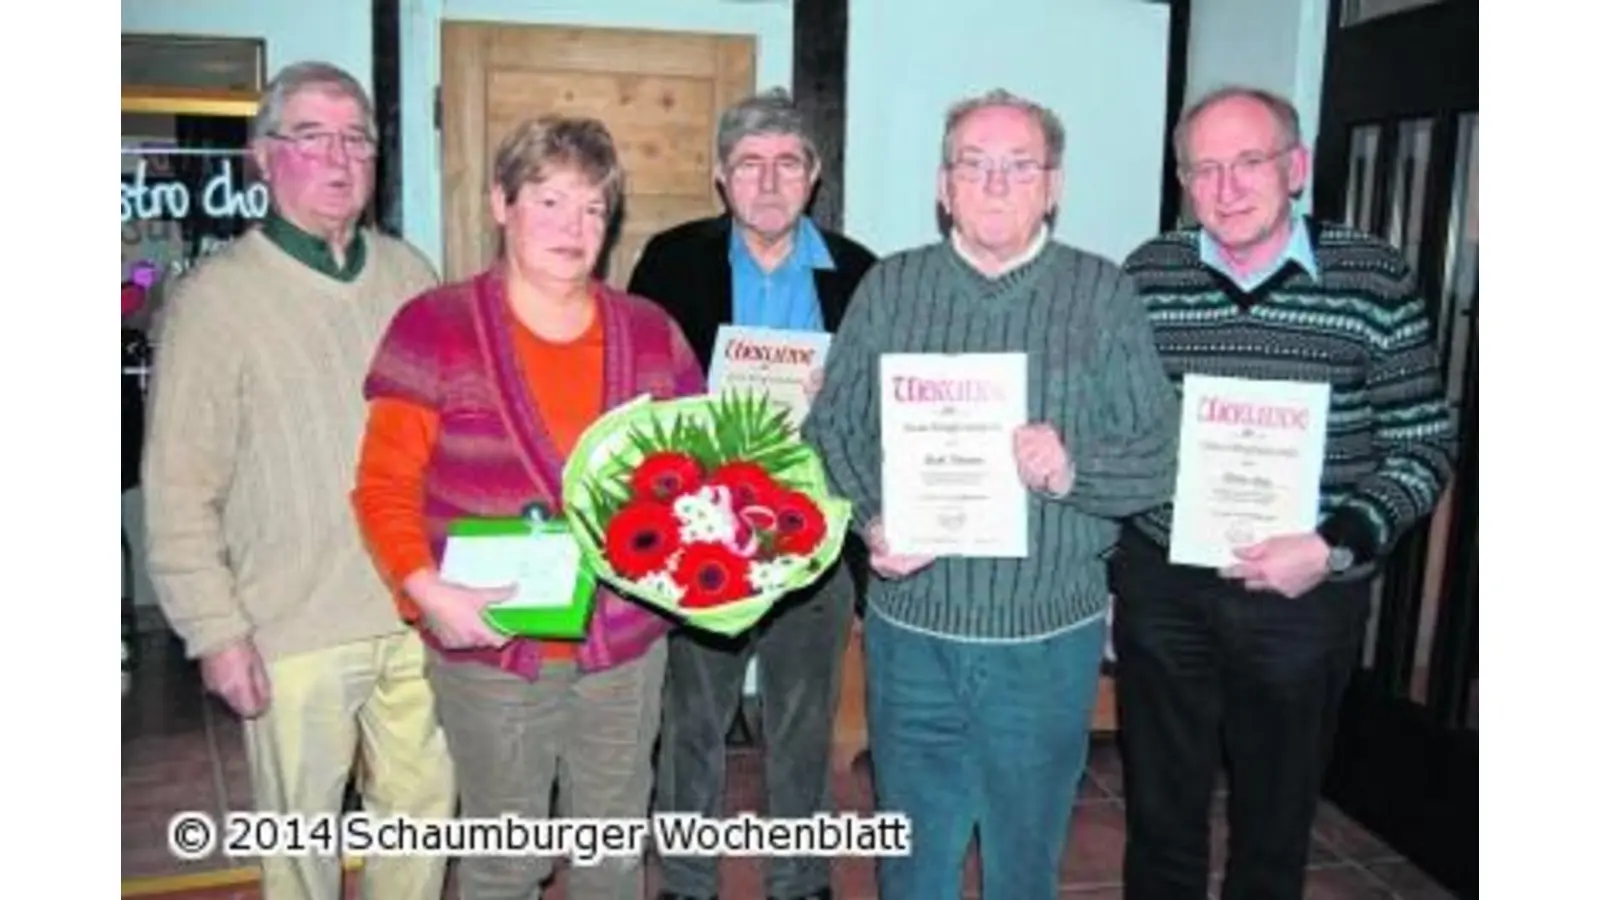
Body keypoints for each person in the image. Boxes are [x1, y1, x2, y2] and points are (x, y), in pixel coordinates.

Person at [802, 88, 1181, 900]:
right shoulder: (892, 288)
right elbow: (829, 429)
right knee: (913, 857)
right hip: (913, 638)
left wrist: (1073, 467)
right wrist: (872, 519)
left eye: (1020, 166)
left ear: (1053, 185)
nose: (997, 184)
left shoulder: (1104, 293)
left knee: (1026, 857)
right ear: (945, 187)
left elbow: (1160, 455)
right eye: (975, 165)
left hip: (1047, 641)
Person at [1114, 85, 1459, 900]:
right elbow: (1119, 425)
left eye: (1248, 163)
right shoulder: (1147, 273)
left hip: (1304, 590)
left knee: (1275, 818)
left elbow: (1424, 441)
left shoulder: (1370, 276)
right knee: (1160, 810)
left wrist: (1335, 542)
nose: (1226, 188)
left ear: (1295, 167)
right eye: (1204, 169)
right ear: (1184, 182)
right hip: (1165, 581)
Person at [352, 113, 703, 900]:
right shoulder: (435, 326)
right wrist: (424, 588)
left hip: (624, 646)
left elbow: (695, 479)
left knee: (610, 851)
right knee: (506, 858)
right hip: (490, 646)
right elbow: (383, 484)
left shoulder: (651, 335)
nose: (573, 227)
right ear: (500, 204)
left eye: (592, 208)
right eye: (548, 201)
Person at [141, 61, 454, 900]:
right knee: (301, 837)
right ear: (261, 156)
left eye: (357, 138)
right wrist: (216, 632)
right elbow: (177, 484)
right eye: (311, 137)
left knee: (424, 813)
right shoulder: (215, 300)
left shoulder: (410, 275)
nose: (339, 158)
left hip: (414, 608)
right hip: (292, 626)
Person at [626, 87, 876, 900]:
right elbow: (640, 392)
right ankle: (687, 881)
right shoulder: (672, 261)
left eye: (787, 164)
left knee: (802, 727)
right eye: (749, 165)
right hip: (704, 538)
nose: (768, 182)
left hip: (815, 536)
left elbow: (876, 409)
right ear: (719, 177)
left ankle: (800, 879)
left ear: (814, 176)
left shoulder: (860, 273)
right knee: (692, 721)